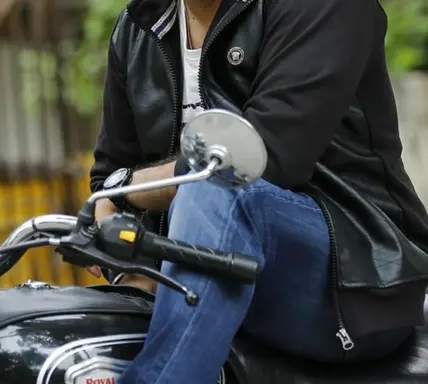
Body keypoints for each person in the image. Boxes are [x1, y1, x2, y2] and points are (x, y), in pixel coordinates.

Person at [88, 0, 428, 382]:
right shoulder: (140, 26)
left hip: (356, 278)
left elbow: (265, 156)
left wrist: (128, 190)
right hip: (205, 280)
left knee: (217, 190)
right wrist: (132, 271)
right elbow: (108, 180)